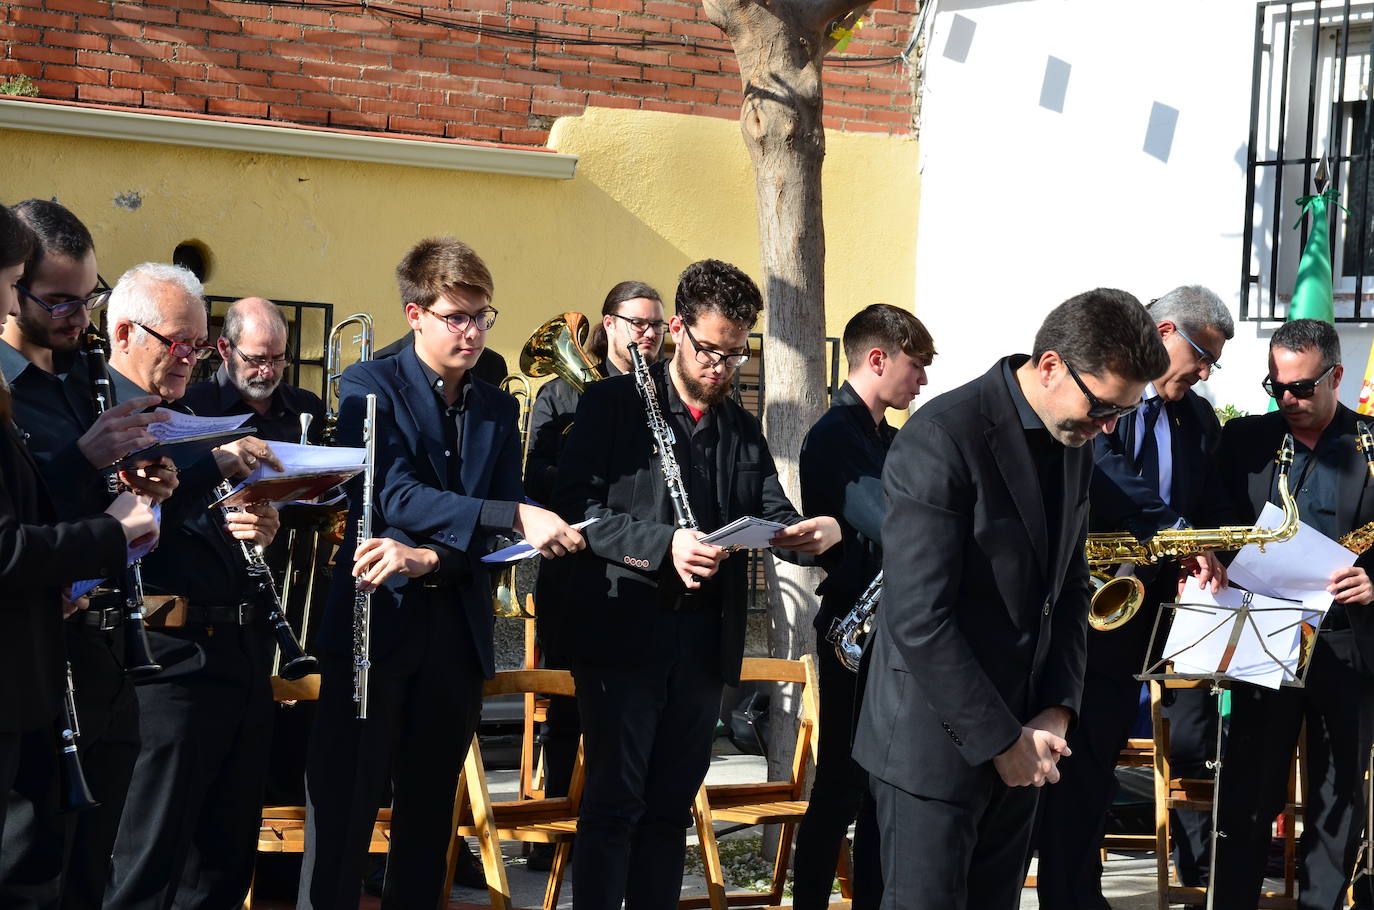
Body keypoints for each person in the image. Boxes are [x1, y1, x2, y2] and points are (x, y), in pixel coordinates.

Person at [852, 288, 1169, 910]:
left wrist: (1055, 711)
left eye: (1122, 415)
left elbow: (1070, 588)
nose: (1109, 428)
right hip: (934, 750)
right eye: (1104, 407)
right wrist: (1003, 741)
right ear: (1050, 365)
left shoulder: (1074, 438)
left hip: (1027, 744)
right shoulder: (942, 435)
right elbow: (919, 618)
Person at [297, 236, 585, 910]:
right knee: (345, 816)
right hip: (378, 628)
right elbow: (389, 495)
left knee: (430, 826)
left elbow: (486, 537)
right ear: (415, 313)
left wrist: (436, 553)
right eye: (457, 315)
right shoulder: (369, 385)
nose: (474, 330)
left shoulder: (495, 406)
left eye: (483, 315)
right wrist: (508, 513)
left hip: (455, 636)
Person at [550, 258, 841, 908]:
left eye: (736, 355)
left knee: (668, 813)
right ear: (677, 329)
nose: (721, 367)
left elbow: (768, 505)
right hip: (622, 644)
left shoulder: (738, 424)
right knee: (614, 807)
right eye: (710, 349)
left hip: (704, 651)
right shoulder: (611, 405)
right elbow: (575, 512)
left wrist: (803, 531)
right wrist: (663, 545)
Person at [0, 200, 180, 910]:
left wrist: (148, 481)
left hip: (103, 650)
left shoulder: (90, 376)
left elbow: (105, 501)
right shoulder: (7, 390)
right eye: (59, 300)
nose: (79, 316)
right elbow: (20, 529)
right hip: (32, 654)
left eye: (90, 296)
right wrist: (84, 468)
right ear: (18, 292)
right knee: (31, 868)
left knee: (96, 864)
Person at [1033, 285, 1235, 908]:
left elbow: (1198, 506)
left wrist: (1202, 550)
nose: (1205, 372)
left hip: (1138, 615)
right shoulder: (1099, 390)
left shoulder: (1198, 418)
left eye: (1213, 364)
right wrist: (1169, 529)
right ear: (1166, 328)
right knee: (1055, 764)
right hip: (1073, 597)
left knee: (1095, 765)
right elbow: (1101, 465)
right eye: (1202, 354)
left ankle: (1079, 894)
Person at [99, 263, 283, 910]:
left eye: (199, 347)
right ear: (124, 332)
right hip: (160, 659)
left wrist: (259, 520)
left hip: (234, 652)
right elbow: (124, 521)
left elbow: (207, 520)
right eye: (177, 343)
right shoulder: (99, 413)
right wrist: (214, 468)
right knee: (147, 870)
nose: (189, 359)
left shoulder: (189, 416)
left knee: (223, 869)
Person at [1212, 318, 1374, 910]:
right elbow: (1210, 514)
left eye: (1303, 388)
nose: (1288, 400)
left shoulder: (1371, 442)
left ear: (1336, 376)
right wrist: (1209, 555)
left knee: (1337, 797)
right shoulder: (1244, 440)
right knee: (1249, 794)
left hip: (1347, 645)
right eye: (1275, 385)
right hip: (1263, 635)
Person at [791, 303, 935, 909]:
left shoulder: (892, 438)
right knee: (841, 788)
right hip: (854, 630)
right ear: (877, 359)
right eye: (916, 365)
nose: (923, 381)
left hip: (892, 628)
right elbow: (890, 520)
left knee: (883, 786)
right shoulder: (833, 436)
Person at [524, 279, 666, 872]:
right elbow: (535, 480)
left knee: (637, 709)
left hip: (637, 571)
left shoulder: (662, 393)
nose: (648, 334)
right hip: (573, 568)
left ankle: (619, 828)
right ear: (608, 324)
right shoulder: (560, 395)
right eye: (636, 322)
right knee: (567, 707)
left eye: (657, 325)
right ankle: (553, 834)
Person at [181, 296, 325, 443]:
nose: (268, 371)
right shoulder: (188, 410)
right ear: (225, 349)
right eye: (257, 359)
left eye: (278, 358)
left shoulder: (308, 406)